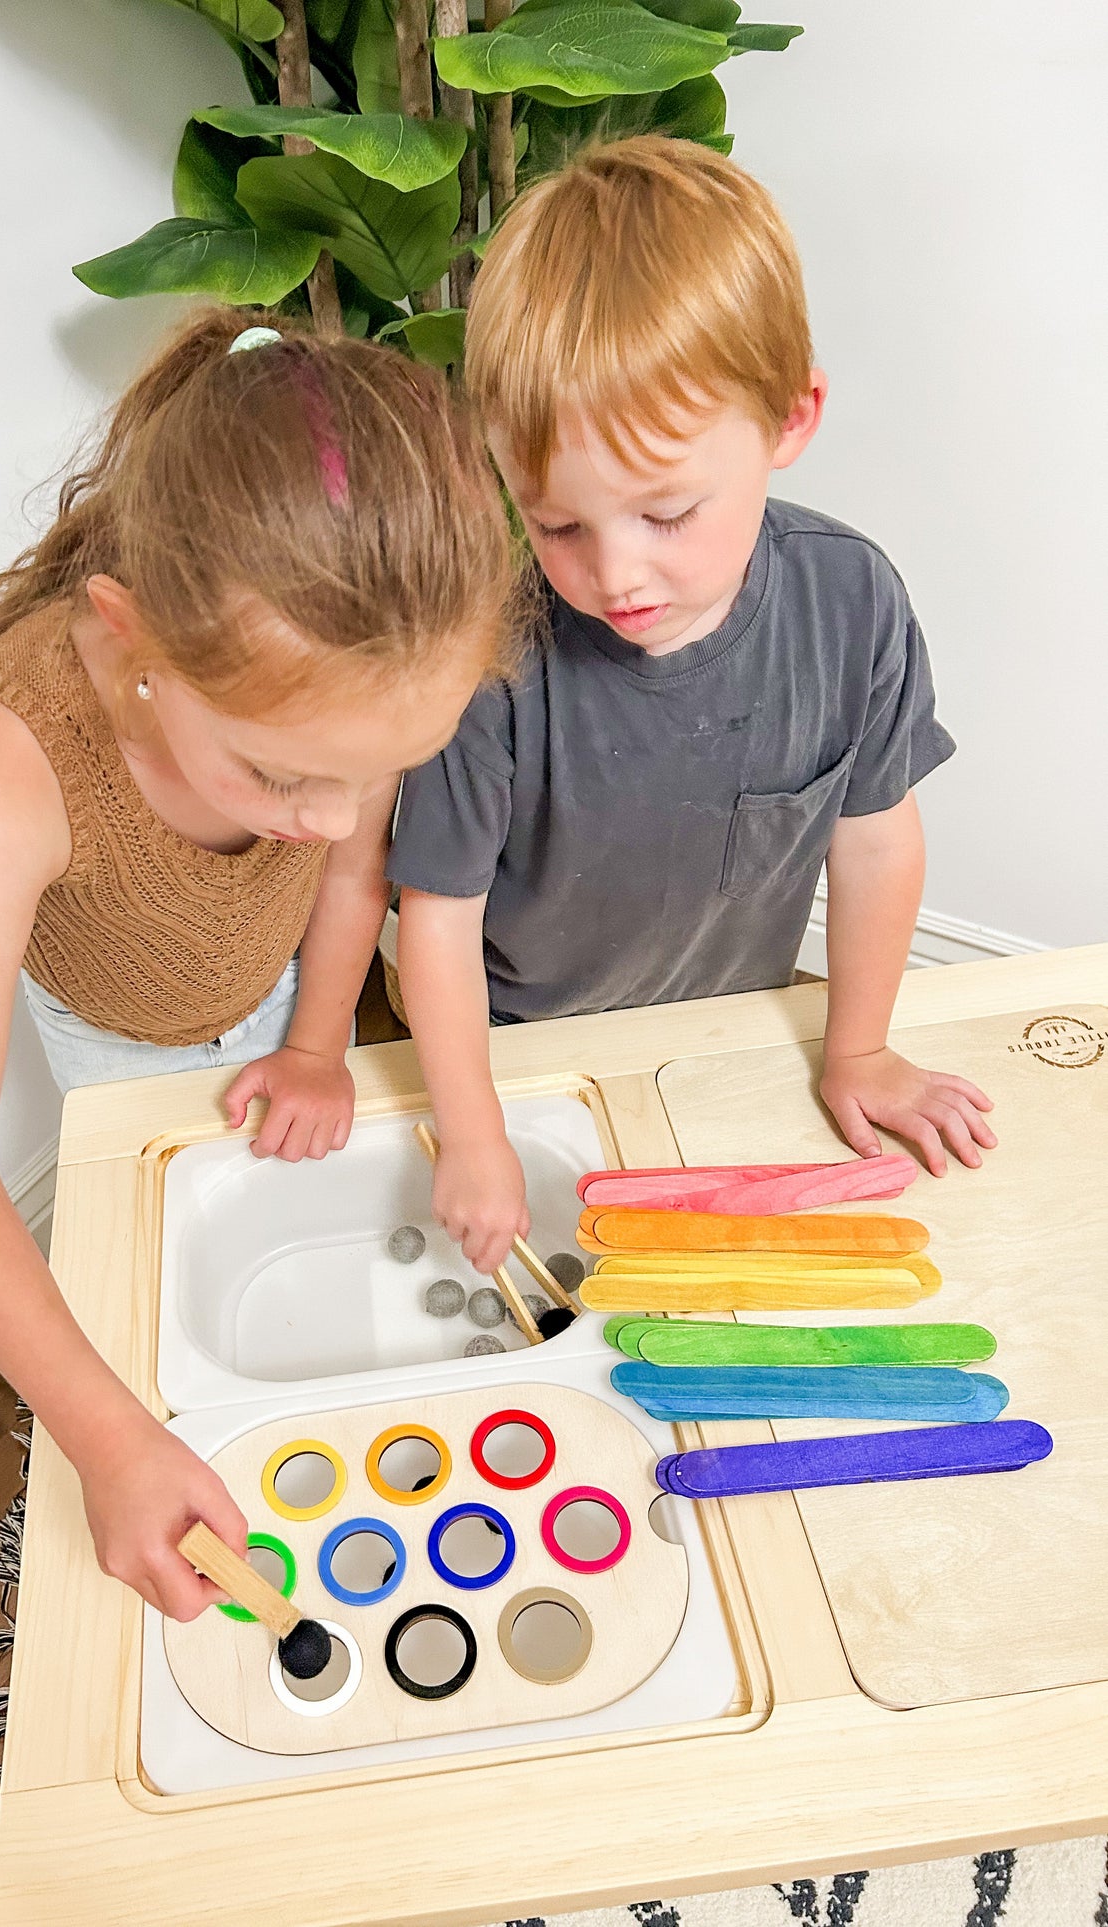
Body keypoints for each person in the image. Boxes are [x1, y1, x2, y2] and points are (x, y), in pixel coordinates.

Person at [0, 309, 513, 1616]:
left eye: (375, 775)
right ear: (131, 640)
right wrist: (110, 1439)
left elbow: (347, 871)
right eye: (284, 775)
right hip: (115, 1045)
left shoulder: (340, 719)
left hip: (286, 992)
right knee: (153, 1332)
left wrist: (318, 1039)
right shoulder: (10, 781)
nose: (339, 820)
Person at [390, 137, 996, 1276]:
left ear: (786, 421)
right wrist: (469, 1134)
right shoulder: (490, 652)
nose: (614, 575)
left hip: (728, 1030)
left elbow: (873, 842)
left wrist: (857, 1048)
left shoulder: (850, 597)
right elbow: (438, 921)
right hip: (522, 1052)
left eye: (664, 514)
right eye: (558, 525)